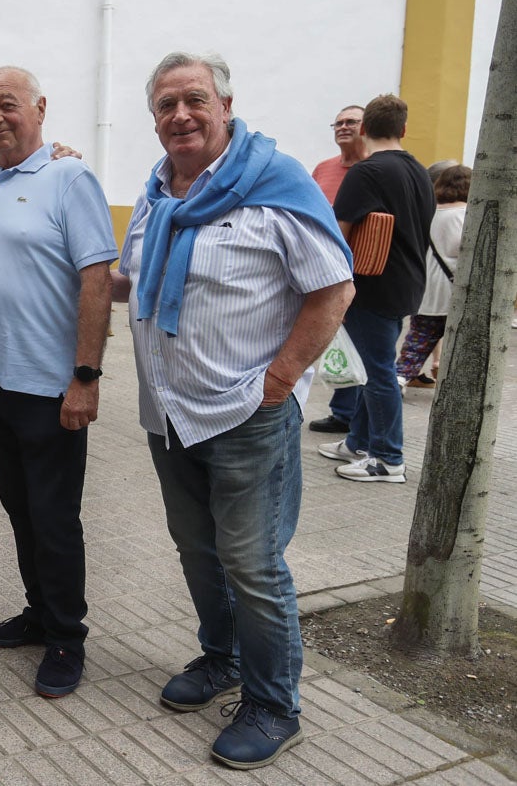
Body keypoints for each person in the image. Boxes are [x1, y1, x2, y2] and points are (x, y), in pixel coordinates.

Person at [114, 52, 353, 770]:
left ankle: (275, 704)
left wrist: (277, 381)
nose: (179, 115)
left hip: (245, 416)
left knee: (252, 564)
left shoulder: (273, 186)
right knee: (197, 549)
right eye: (165, 105)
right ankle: (219, 658)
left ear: (224, 105)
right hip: (170, 413)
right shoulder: (159, 191)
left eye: (193, 100)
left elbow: (332, 289)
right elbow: (137, 282)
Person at [0, 66, 118, 700]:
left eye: (9, 105)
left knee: (53, 516)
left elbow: (96, 280)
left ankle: (67, 638)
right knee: (19, 508)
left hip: (49, 384)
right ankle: (39, 613)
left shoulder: (69, 177)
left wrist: (86, 377)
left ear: (40, 108)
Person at [318, 94, 436, 483]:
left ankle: (388, 458)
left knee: (379, 372)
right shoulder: (419, 171)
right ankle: (359, 443)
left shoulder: (367, 172)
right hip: (406, 282)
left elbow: (340, 236)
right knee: (373, 368)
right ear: (403, 129)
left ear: (365, 129)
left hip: (370, 285)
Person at [307, 105, 369, 434]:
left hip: (364, 269)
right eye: (339, 122)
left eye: (351, 122)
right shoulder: (324, 168)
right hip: (325, 266)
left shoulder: (372, 170)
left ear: (366, 128)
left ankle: (353, 414)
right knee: (336, 335)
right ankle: (344, 411)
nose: (343, 127)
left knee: (361, 340)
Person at [397, 162, 467, 388]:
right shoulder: (466, 214)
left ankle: (398, 380)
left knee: (416, 344)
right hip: (455, 290)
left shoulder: (429, 212)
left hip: (426, 289)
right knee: (461, 344)